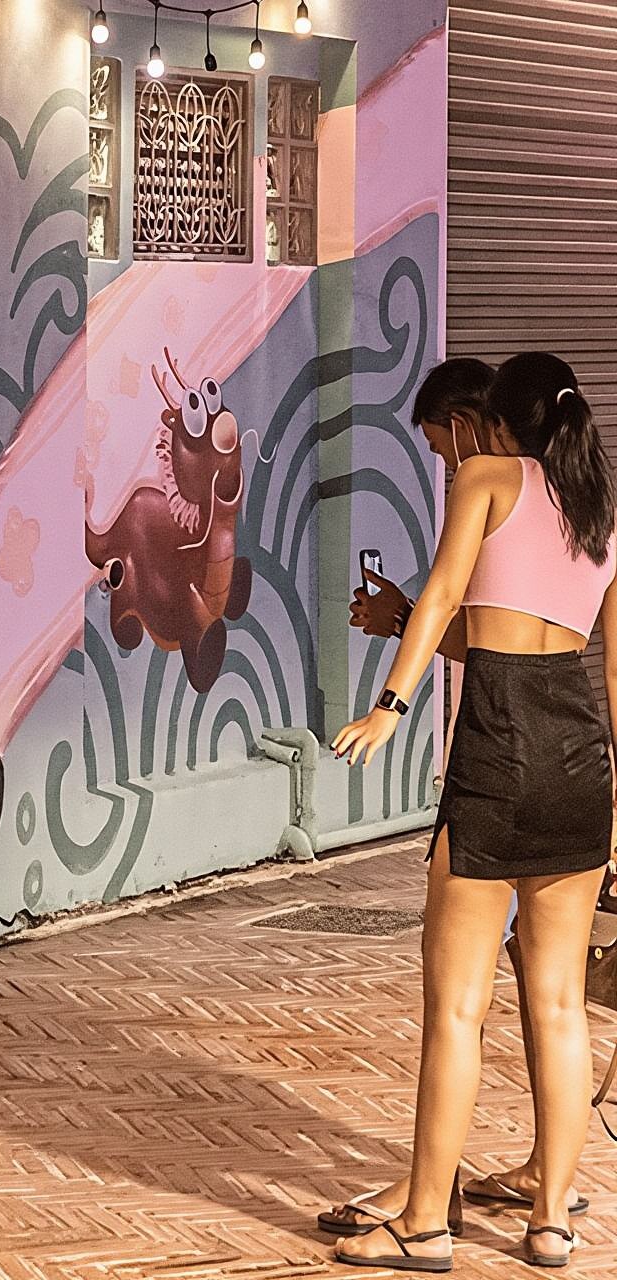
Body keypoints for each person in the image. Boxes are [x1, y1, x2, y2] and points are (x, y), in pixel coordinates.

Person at [331, 352, 616, 1270]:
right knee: (562, 1006)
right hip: (582, 763)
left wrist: (391, 703)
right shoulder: (603, 518)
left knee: (456, 1008)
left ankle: (425, 1224)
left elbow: (453, 590)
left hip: (497, 751)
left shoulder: (488, 478)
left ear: (498, 420)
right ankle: (553, 1224)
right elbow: (612, 674)